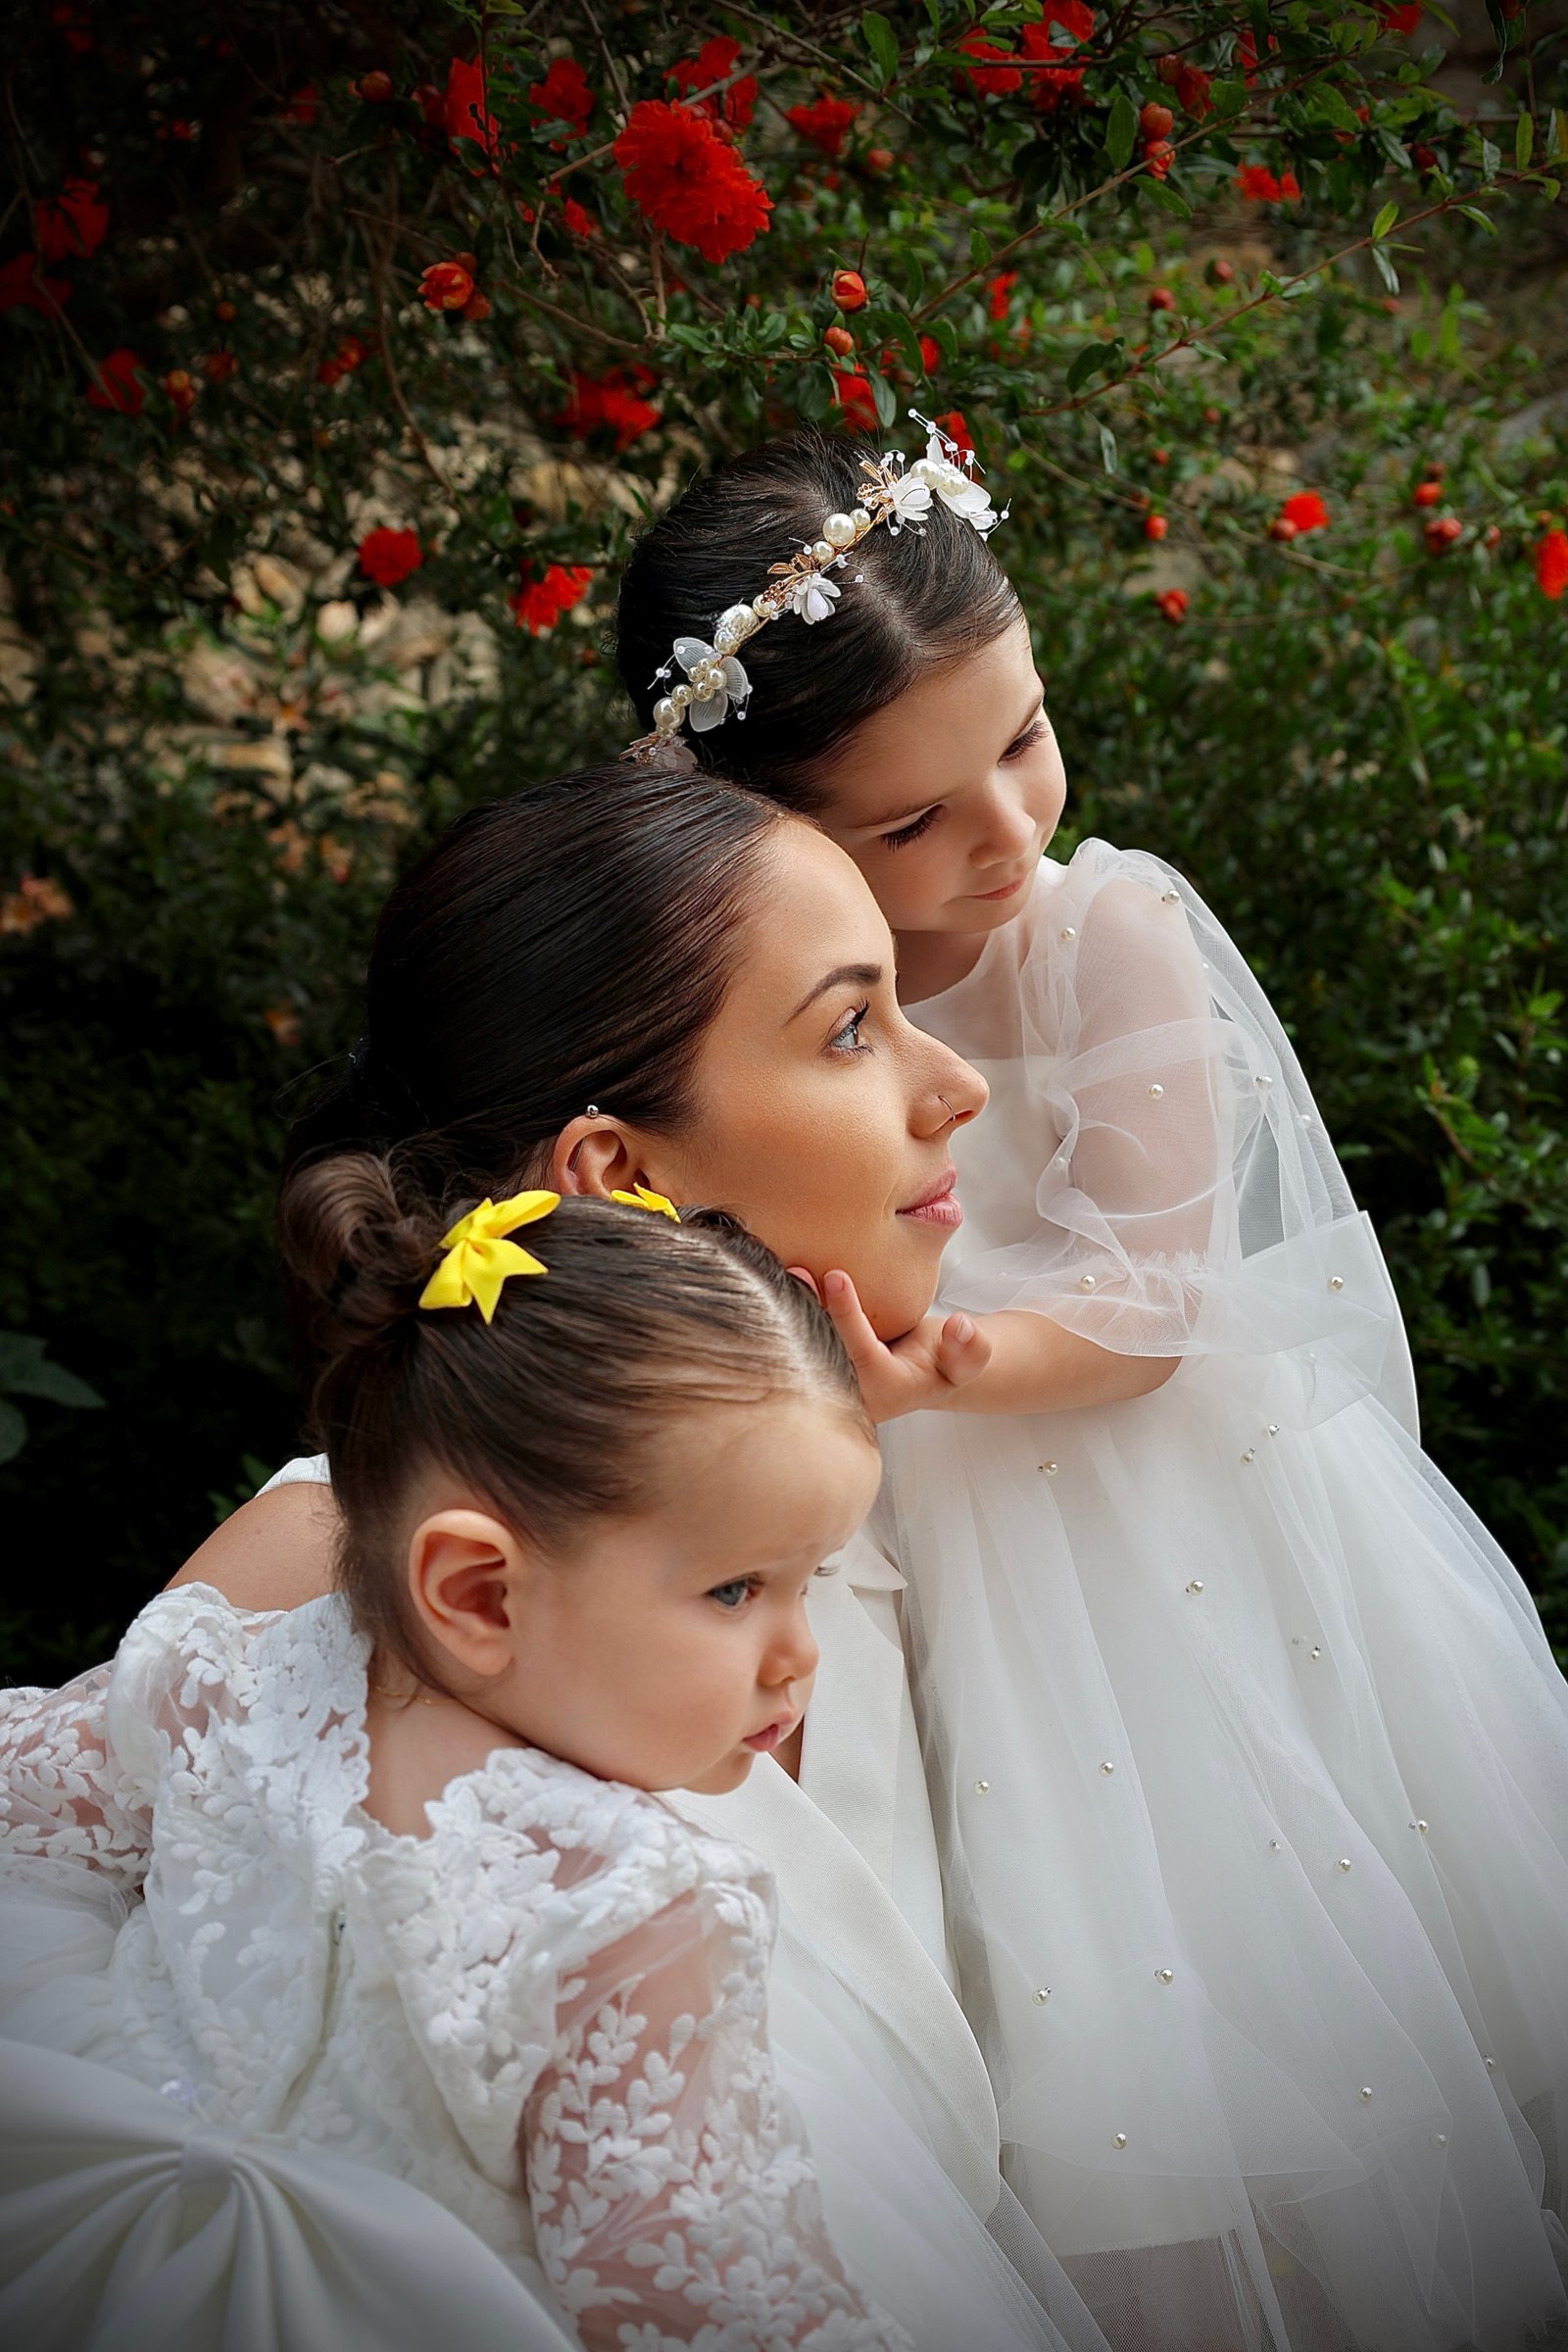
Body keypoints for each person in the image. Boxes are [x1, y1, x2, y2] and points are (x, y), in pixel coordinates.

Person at [609, 420, 1568, 2349]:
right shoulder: (727, 976)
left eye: (1024, 739)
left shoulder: (1096, 935)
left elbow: (1152, 1297)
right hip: (865, 1524)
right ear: (756, 829)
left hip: (1145, 1539)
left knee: (1176, 1972)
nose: (1004, 833)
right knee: (940, 1946)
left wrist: (948, 1357)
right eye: (908, 823)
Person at [0, 1172, 1073, 2352]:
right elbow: (699, 2305)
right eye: (734, 1590)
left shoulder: (221, 1682)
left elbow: (20, 1803)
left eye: (805, 1583)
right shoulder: (629, 1915)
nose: (798, 1657)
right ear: (476, 1591)